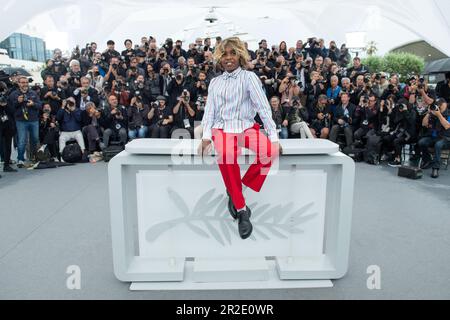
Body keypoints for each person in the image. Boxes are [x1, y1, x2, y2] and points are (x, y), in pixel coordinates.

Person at [198, 37, 282, 240]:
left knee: (270, 153)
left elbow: (263, 107)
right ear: (219, 57)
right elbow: (209, 112)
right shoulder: (215, 82)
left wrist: (273, 137)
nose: (228, 58)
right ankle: (242, 210)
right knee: (226, 155)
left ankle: (236, 190)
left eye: (233, 53)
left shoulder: (249, 77)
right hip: (222, 129)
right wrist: (206, 136)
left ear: (240, 56)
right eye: (224, 54)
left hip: (246, 128)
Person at [9, 76, 42, 167]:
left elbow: (40, 106)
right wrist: (18, 102)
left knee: (35, 139)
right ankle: (20, 159)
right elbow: (10, 109)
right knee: (22, 141)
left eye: (26, 82)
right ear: (19, 84)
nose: (25, 84)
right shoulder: (14, 94)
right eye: (23, 82)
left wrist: (33, 104)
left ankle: (33, 157)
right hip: (21, 121)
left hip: (33, 120)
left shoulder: (33, 93)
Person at [418, 99, 450, 178]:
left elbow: (447, 126)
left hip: (445, 138)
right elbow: (424, 124)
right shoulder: (432, 114)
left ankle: (435, 168)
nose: (439, 107)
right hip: (433, 137)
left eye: (441, 106)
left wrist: (439, 115)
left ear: (445, 105)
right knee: (422, 142)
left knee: (438, 145)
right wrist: (429, 113)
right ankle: (428, 160)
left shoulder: (448, 114)